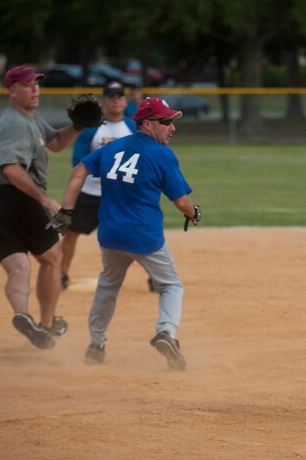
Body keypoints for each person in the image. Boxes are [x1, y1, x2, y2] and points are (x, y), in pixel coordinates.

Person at [50, 96, 201, 369]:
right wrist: (194, 213)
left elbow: (79, 170)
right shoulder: (162, 154)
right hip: (144, 236)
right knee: (171, 285)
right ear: (146, 124)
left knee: (107, 287)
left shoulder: (113, 148)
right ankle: (166, 332)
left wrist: (66, 211)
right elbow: (181, 202)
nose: (172, 127)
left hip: (110, 235)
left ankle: (96, 345)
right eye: (165, 121)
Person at [0, 64, 82, 350]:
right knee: (52, 258)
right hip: (16, 199)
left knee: (19, 267)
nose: (35, 89)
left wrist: (78, 126)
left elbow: (56, 143)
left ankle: (23, 316)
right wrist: (44, 199)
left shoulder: (30, 119)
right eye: (27, 85)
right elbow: (11, 169)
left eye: (37, 83)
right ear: (12, 91)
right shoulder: (15, 123)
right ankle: (47, 324)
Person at [60, 80, 137, 290]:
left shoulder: (132, 126)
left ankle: (155, 275)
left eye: (120, 96)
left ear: (125, 100)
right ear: (103, 101)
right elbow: (78, 161)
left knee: (136, 231)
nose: (116, 101)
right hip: (91, 192)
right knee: (71, 232)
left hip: (120, 194)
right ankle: (61, 273)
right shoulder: (91, 129)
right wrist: (107, 168)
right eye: (111, 97)